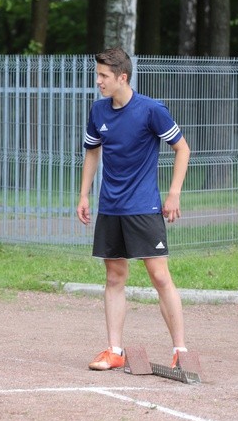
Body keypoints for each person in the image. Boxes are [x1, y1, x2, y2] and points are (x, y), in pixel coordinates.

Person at [76, 47, 191, 371]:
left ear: (122, 78)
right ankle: (114, 350)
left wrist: (174, 194)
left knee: (159, 275)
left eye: (103, 76)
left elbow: (182, 149)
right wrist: (84, 195)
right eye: (97, 74)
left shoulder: (151, 110)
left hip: (143, 207)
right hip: (110, 207)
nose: (97, 81)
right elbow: (92, 153)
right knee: (114, 276)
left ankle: (180, 350)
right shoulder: (98, 111)